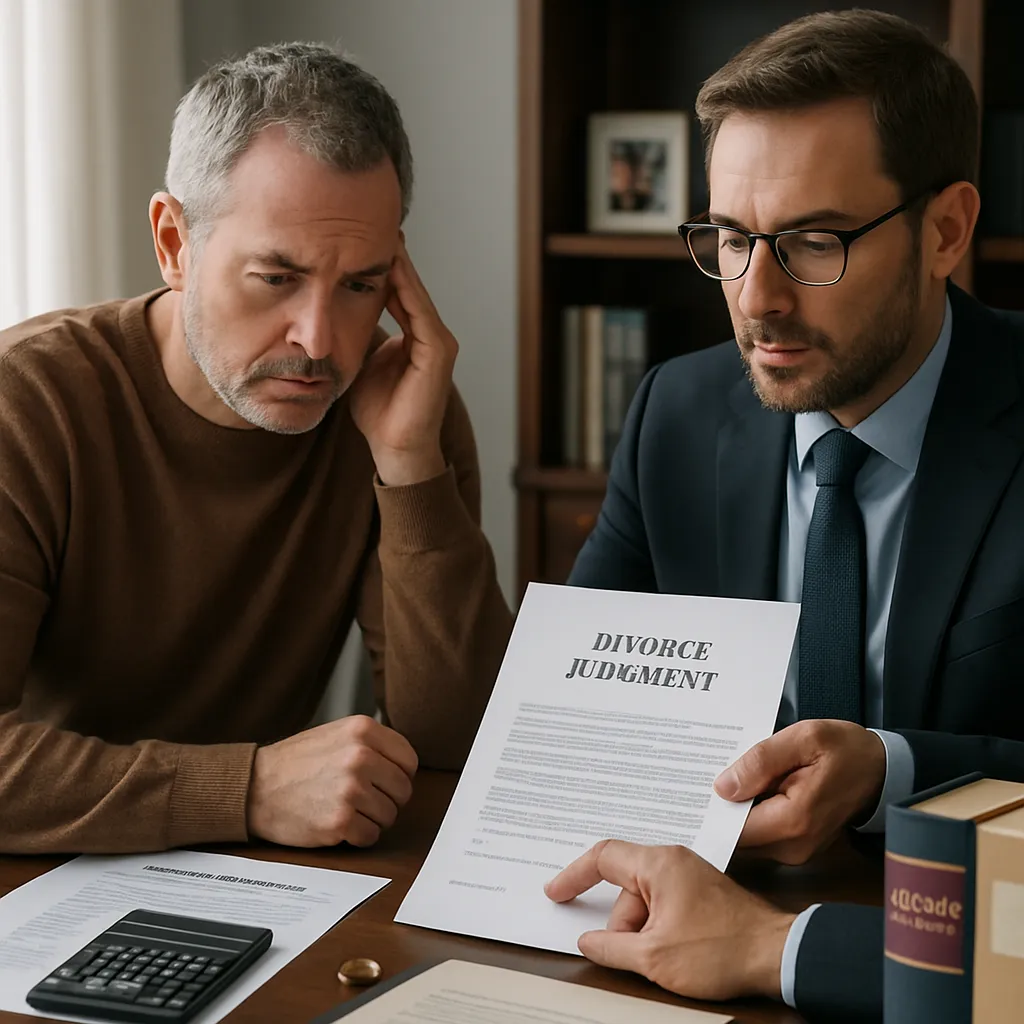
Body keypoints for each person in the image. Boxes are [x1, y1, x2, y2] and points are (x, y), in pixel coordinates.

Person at [566, 8, 1024, 1021]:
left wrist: (892, 771)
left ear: (945, 231)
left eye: (814, 242)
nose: (756, 298)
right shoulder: (675, 411)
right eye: (731, 238)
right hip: (678, 942)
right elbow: (574, 707)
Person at [0, 43, 513, 855]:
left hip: (270, 881)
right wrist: (249, 789)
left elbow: (462, 748)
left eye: (360, 285)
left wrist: (411, 466)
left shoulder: (398, 408)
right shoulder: (26, 403)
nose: (320, 342)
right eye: (277, 279)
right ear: (174, 243)